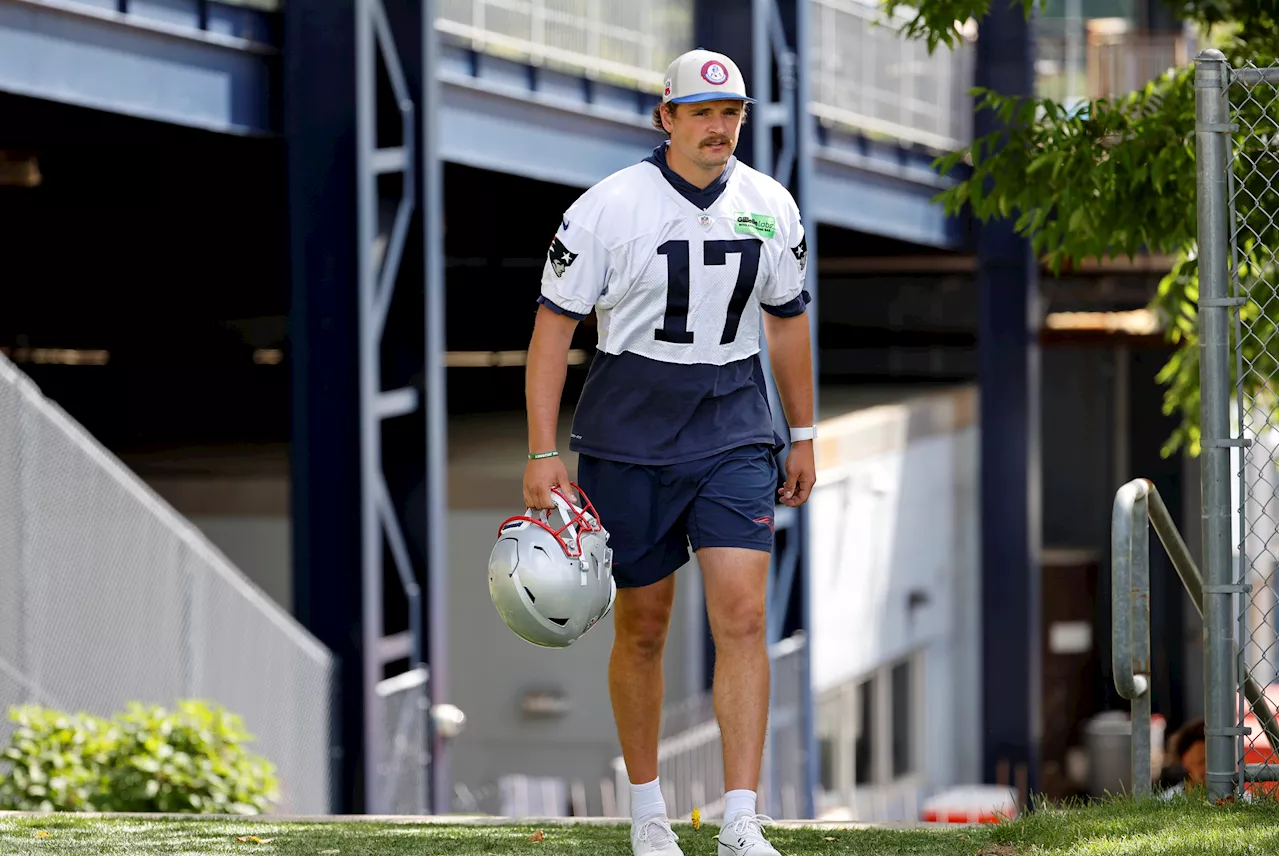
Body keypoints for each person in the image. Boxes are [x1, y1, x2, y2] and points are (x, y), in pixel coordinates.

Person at [521, 46, 815, 856]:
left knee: (745, 616)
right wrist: (541, 451)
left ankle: (741, 819)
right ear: (667, 119)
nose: (720, 128)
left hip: (733, 424)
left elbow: (787, 322)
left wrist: (805, 433)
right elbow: (553, 331)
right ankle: (648, 810)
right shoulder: (606, 209)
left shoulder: (771, 204)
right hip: (630, 432)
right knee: (644, 627)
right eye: (703, 114)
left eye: (732, 114)